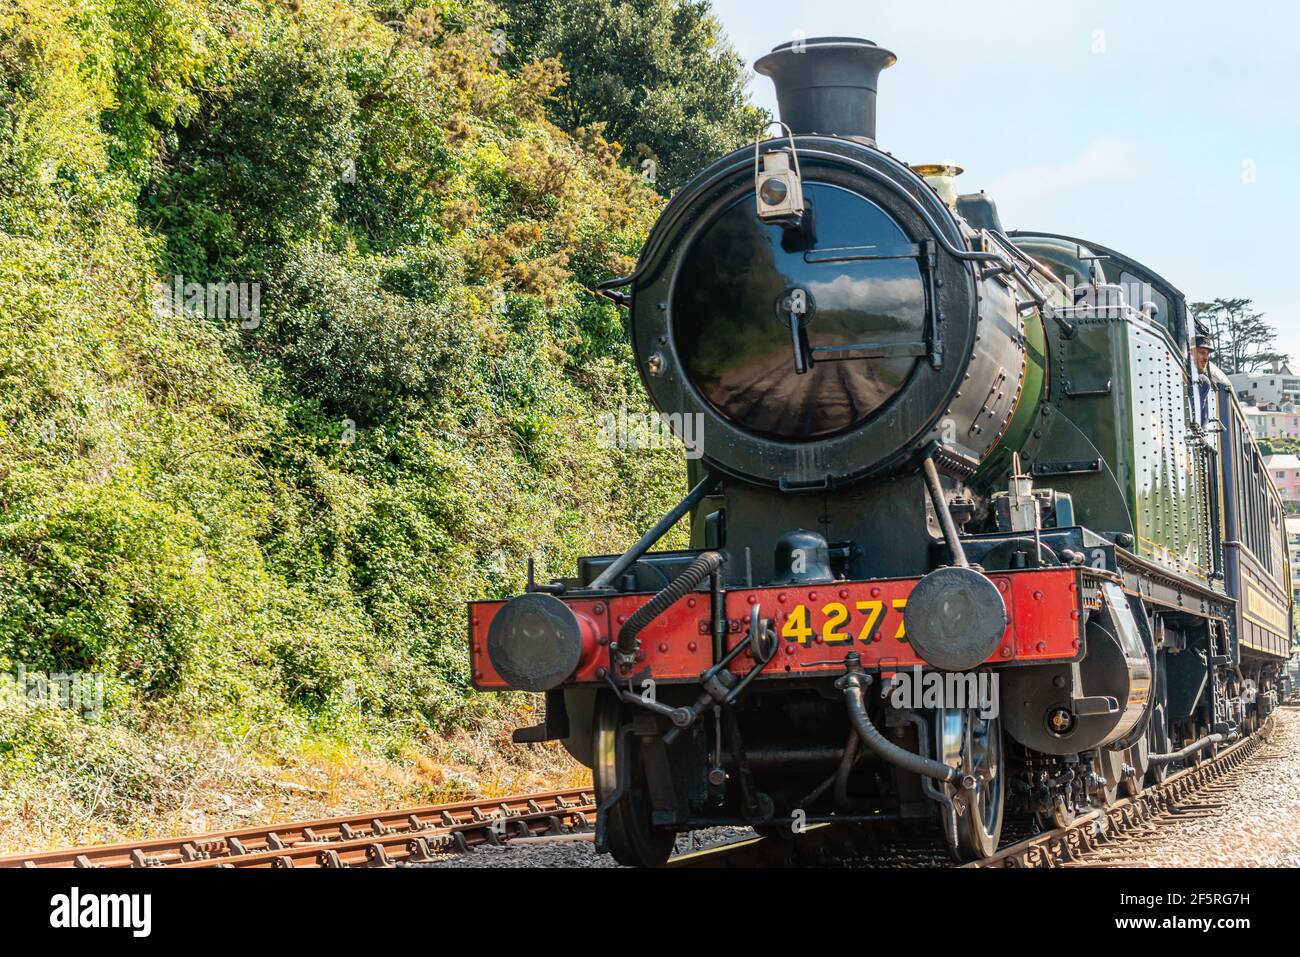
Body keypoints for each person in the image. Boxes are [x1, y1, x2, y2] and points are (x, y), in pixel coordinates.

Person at [1193, 334, 1214, 428]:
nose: (1206, 359)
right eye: (1201, 353)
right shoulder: (1203, 380)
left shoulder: (1203, 380)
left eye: (1207, 354)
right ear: (1190, 353)